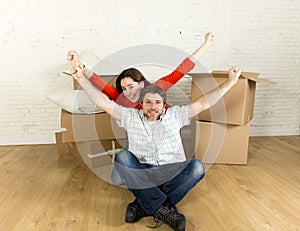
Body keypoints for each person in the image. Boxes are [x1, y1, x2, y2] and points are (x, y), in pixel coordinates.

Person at [68, 59, 241, 230]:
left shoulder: (176, 115)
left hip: (171, 171)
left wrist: (230, 82)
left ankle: (143, 205)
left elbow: (204, 102)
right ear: (141, 104)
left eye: (157, 102)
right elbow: (104, 102)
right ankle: (163, 209)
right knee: (123, 157)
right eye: (148, 102)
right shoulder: (130, 116)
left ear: (163, 104)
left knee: (197, 167)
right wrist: (81, 79)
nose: (153, 106)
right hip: (143, 172)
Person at [67, 32, 214, 109]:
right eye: (124, 88)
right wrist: (80, 66)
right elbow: (100, 84)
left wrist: (206, 44)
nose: (127, 92)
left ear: (142, 84)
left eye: (131, 86)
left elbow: (182, 69)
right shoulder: (123, 99)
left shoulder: (156, 88)